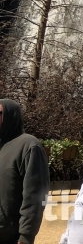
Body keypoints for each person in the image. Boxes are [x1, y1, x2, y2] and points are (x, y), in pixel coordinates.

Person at [0, 100, 49, 244]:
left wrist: (26, 236)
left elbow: (35, 195)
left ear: (11, 115)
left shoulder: (29, 145)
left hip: (11, 237)